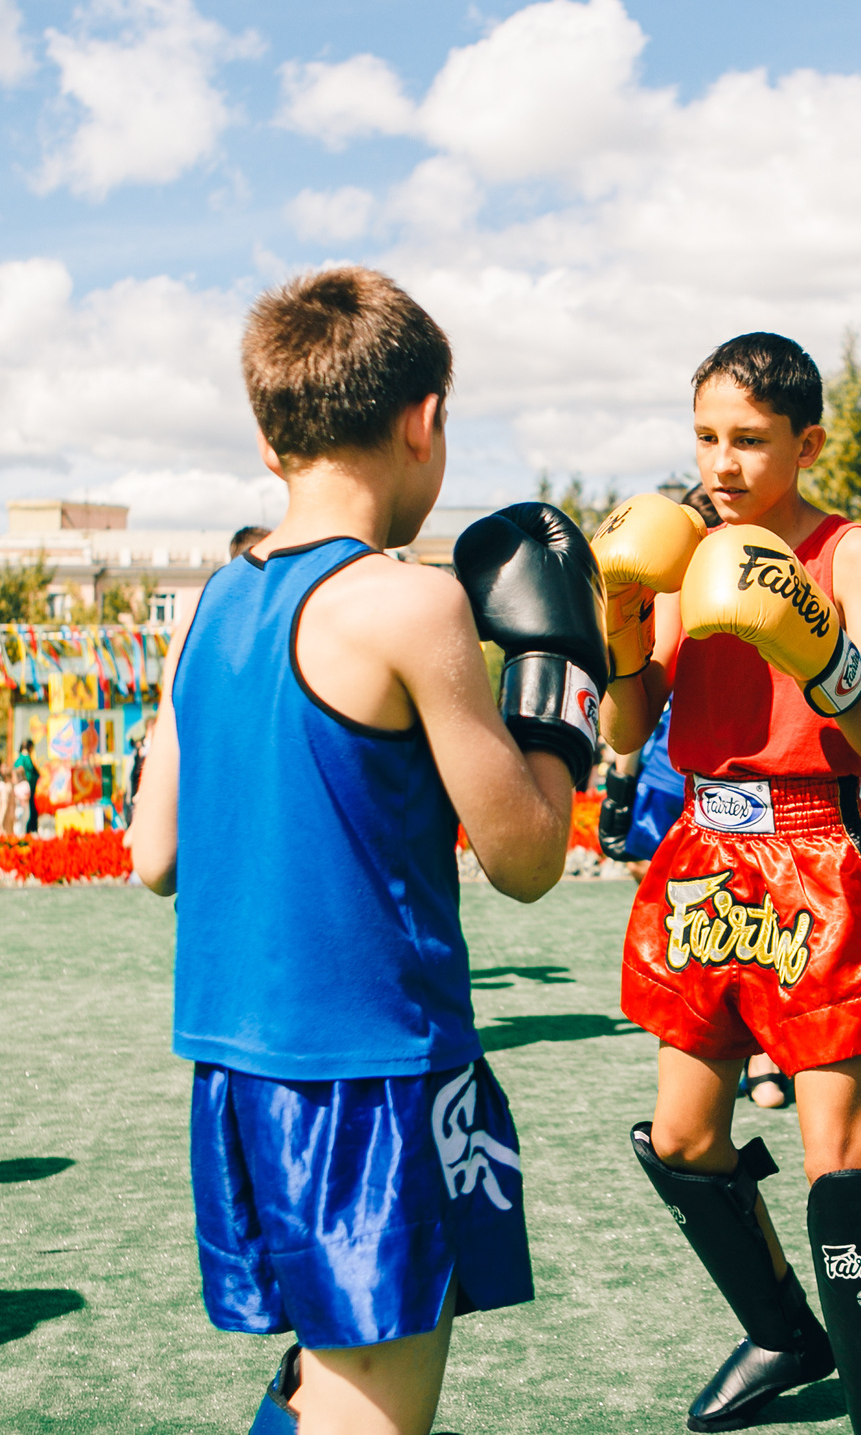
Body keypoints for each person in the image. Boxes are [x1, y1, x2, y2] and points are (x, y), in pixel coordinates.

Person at [125, 267, 587, 1435]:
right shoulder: (406, 605)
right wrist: (562, 679)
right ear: (422, 419)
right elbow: (528, 855)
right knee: (370, 1415)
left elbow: (151, 852)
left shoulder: (209, 605)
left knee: (327, 1381)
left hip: (235, 1063)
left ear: (269, 431)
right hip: (371, 1068)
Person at [599, 332, 861, 1435]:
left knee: (836, 1159)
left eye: (750, 440)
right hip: (702, 855)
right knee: (685, 1139)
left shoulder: (851, 550)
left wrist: (815, 647)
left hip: (816, 853)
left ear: (808, 440)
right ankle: (787, 1335)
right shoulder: (680, 554)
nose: (724, 462)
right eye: (706, 437)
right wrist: (618, 618)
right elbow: (628, 729)